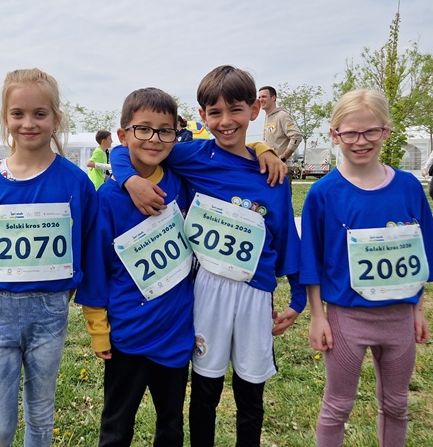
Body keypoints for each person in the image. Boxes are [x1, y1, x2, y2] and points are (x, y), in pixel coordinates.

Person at [112, 65, 302, 447]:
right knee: (204, 392)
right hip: (208, 291)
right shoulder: (191, 156)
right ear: (202, 116)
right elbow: (123, 149)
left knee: (251, 395)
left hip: (255, 293)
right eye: (215, 112)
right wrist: (130, 179)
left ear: (255, 110)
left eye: (236, 110)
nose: (226, 121)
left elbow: (286, 236)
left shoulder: (272, 175)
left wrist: (298, 298)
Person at [300, 89, 433, 447]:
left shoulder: (407, 187)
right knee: (337, 406)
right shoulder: (323, 193)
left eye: (371, 131)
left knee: (397, 404)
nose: (361, 141)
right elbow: (312, 260)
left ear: (386, 131)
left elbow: (418, 253)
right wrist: (317, 316)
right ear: (334, 134)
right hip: (346, 319)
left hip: (399, 317)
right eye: (350, 133)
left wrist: (418, 309)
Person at [0, 68, 97, 447]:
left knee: (40, 418)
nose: (29, 123)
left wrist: (72, 287)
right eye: (18, 113)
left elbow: (87, 241)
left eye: (40, 113)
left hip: (50, 312)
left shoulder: (76, 181)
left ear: (56, 118)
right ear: (5, 118)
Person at [76, 88, 194, 446]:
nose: (154, 138)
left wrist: (263, 149)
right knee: (116, 426)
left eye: (165, 130)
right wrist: (98, 329)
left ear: (176, 134)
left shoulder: (182, 182)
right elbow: (95, 268)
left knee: (171, 426)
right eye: (143, 128)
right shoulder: (107, 199)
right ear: (124, 134)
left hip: (176, 330)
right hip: (128, 335)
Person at [259, 85, 303, 180]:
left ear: (273, 98)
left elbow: (296, 136)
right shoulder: (267, 117)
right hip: (270, 168)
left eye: (264, 96)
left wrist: (283, 158)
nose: (261, 99)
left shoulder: (282, 116)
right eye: (259, 97)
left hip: (282, 168)